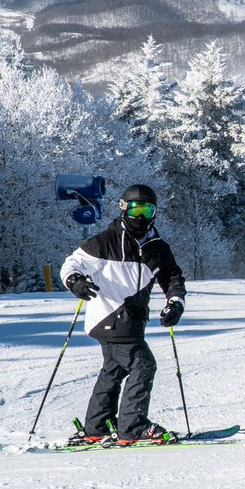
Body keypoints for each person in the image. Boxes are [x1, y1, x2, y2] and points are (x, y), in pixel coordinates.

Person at [59, 184, 187, 445]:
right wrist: (75, 282)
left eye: (147, 209)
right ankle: (133, 426)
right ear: (123, 208)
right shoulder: (105, 242)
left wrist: (175, 303)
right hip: (109, 317)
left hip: (132, 321)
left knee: (114, 369)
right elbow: (71, 264)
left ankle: (96, 426)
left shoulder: (157, 247)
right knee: (143, 364)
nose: (141, 216)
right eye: (136, 209)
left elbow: (172, 277)